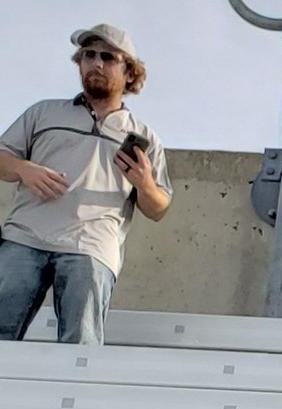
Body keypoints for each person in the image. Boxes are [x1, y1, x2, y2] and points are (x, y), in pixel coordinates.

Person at [0, 25, 170, 343]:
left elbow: (159, 208)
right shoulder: (43, 113)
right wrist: (24, 169)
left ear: (130, 73)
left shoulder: (144, 137)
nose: (96, 63)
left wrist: (145, 184)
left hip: (91, 249)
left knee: (81, 346)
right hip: (25, 239)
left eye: (108, 57)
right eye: (88, 55)